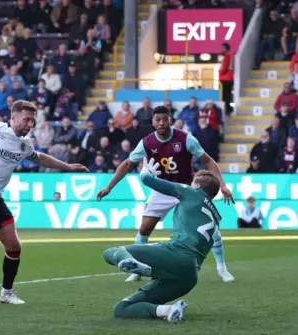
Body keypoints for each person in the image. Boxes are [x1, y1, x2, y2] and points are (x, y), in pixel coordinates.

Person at [0, 100, 88, 306]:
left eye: (33, 121)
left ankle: (6, 292)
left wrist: (68, 166)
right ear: (13, 117)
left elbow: (40, 158)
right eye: (26, 120)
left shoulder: (25, 144)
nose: (30, 125)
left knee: (14, 246)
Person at [97, 106, 235, 283]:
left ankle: (222, 268)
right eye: (158, 120)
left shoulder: (186, 139)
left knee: (210, 229)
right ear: (153, 122)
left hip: (186, 189)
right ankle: (137, 268)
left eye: (165, 119)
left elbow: (208, 160)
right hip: (163, 189)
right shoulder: (146, 143)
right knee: (145, 228)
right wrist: (109, 187)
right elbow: (127, 164)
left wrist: (222, 185)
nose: (161, 123)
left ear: (170, 120)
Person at [103, 164, 223, 322]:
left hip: (177, 253)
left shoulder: (190, 192)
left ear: (198, 185)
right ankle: (169, 310)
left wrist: (148, 170)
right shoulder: (215, 219)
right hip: (189, 276)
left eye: (193, 182)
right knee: (122, 309)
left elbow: (147, 179)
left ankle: (133, 263)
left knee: (110, 252)